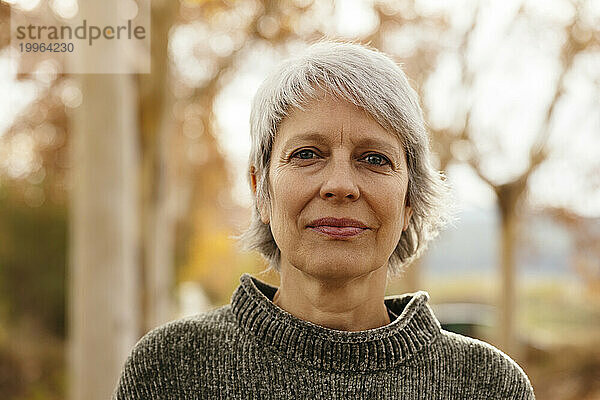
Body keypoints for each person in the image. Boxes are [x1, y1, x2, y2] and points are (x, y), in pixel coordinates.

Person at [114, 41, 535, 399]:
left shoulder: (489, 386)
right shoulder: (170, 370)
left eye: (374, 159)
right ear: (262, 190)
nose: (339, 186)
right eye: (307, 154)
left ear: (409, 200)